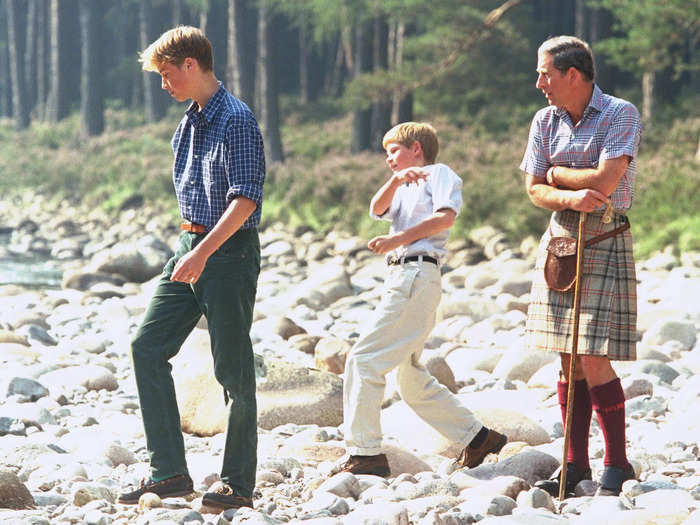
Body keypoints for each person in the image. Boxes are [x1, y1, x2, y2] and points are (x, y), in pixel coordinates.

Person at [117, 26, 265, 511]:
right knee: (146, 346)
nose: (163, 84)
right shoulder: (190, 121)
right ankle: (170, 474)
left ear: (190, 65)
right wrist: (190, 248)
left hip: (228, 252)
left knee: (233, 369)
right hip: (191, 244)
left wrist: (203, 253)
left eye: (166, 74)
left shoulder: (237, 120)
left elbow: (245, 199)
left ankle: (238, 483)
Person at [339, 122, 507, 477]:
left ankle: (365, 453)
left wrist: (398, 240)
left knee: (363, 360)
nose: (389, 159)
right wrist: (397, 180)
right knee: (409, 377)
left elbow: (445, 217)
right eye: (386, 154)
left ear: (417, 148)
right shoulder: (401, 185)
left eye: (394, 151)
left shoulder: (439, 173)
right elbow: (376, 208)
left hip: (415, 275)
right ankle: (477, 438)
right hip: (403, 276)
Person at [520, 36, 641, 497]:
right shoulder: (544, 120)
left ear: (573, 75)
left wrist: (555, 172)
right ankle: (574, 465)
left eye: (545, 74)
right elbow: (534, 189)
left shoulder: (620, 113)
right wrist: (567, 192)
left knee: (592, 353)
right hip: (560, 241)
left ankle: (617, 463)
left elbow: (606, 181)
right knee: (567, 357)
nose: (539, 84)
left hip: (605, 235)